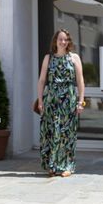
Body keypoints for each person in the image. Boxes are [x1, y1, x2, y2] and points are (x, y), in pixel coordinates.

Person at [36, 29, 85, 177]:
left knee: (66, 134)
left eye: (66, 39)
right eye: (60, 39)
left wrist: (81, 102)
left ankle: (67, 166)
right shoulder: (48, 58)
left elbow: (80, 81)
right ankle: (52, 165)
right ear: (55, 41)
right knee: (51, 132)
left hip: (68, 101)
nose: (63, 42)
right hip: (51, 100)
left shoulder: (74, 58)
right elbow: (42, 80)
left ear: (68, 41)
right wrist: (40, 101)